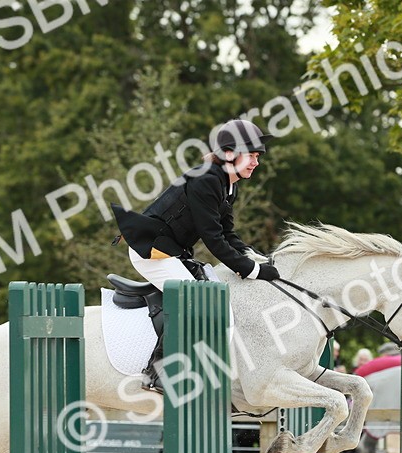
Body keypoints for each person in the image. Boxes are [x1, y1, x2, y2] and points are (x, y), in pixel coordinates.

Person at [112, 118, 280, 392]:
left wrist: (257, 258)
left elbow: (227, 233)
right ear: (229, 153)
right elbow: (212, 238)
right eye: (251, 155)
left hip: (173, 252)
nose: (256, 162)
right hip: (152, 251)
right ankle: (157, 374)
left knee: (210, 291)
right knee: (192, 299)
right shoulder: (205, 180)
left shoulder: (228, 184)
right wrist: (252, 271)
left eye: (257, 156)